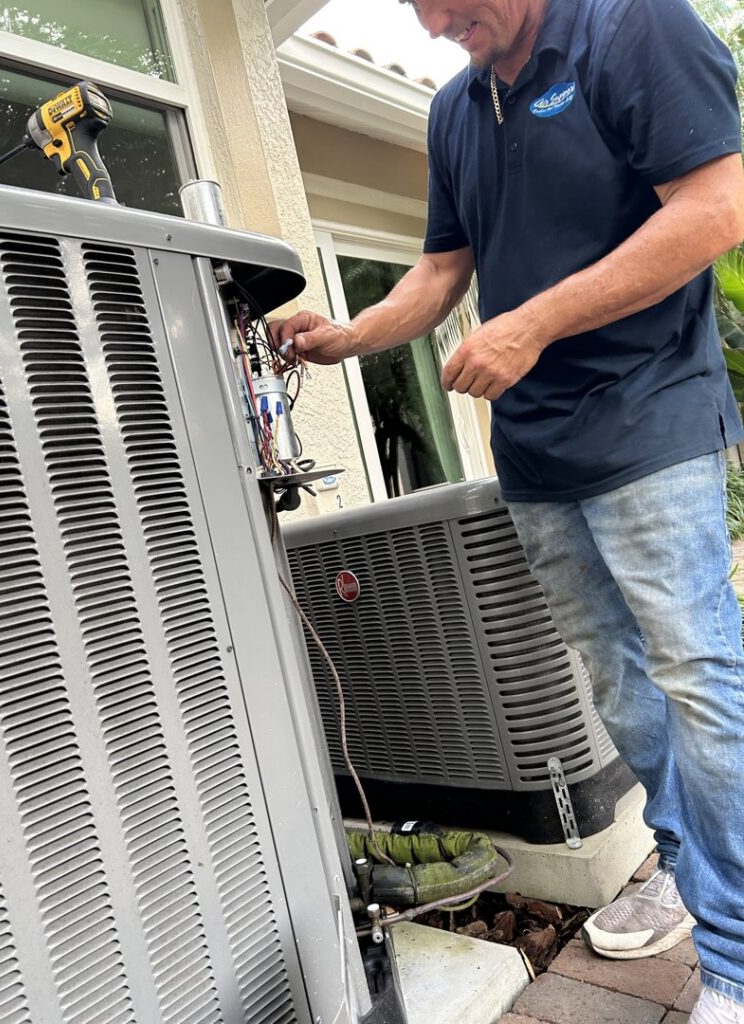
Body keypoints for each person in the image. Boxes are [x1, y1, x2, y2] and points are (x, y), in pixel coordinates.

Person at [272, 0, 744, 1019]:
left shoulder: (632, 30)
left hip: (649, 418)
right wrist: (350, 338)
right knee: (623, 692)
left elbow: (715, 207)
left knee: (698, 679)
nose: (438, 25)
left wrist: (530, 325)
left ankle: (739, 955)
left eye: (450, 1)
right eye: (417, 8)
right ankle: (689, 870)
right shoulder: (455, 109)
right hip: (538, 451)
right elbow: (445, 268)